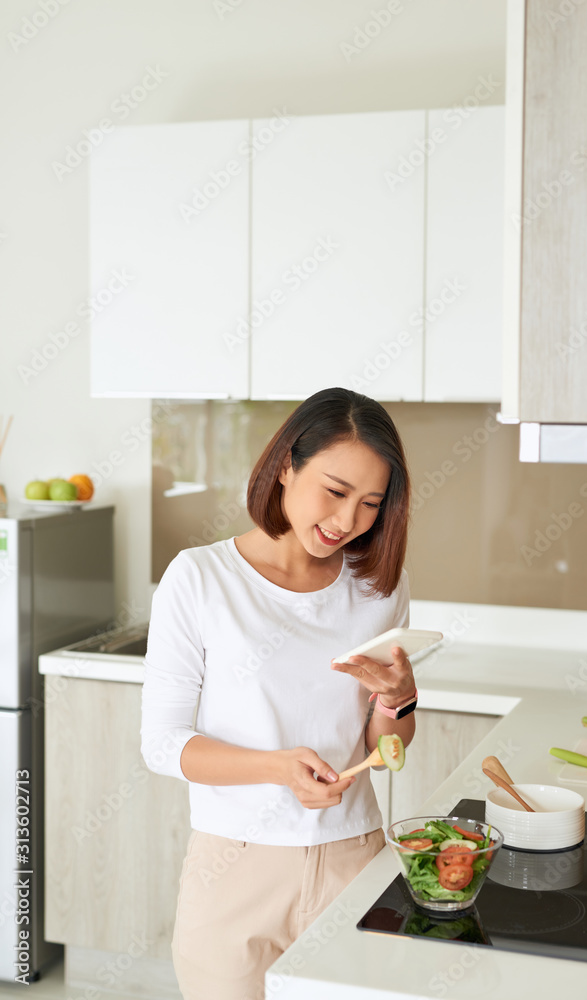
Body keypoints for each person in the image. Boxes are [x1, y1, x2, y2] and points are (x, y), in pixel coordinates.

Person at [141, 387, 417, 1000]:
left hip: (356, 855)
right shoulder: (202, 578)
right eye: (336, 491)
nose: (348, 521)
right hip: (235, 867)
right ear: (287, 465)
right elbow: (162, 745)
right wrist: (276, 769)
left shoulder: (378, 589)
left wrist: (398, 700)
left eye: (371, 503)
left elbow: (389, 745)